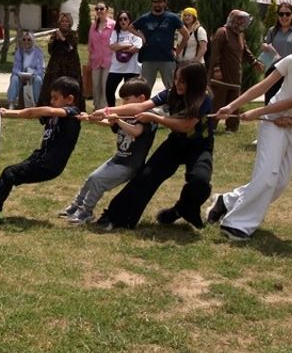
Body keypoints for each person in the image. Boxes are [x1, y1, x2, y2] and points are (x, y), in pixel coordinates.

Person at [206, 25, 292, 241]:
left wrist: (268, 113)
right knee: (267, 177)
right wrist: (232, 106)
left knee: (279, 183)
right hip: (272, 121)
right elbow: (263, 87)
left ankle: (226, 201)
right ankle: (236, 225)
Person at [91, 61, 212, 231]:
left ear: (195, 83)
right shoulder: (171, 93)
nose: (177, 84)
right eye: (176, 79)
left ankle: (183, 209)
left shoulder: (204, 98)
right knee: (147, 177)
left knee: (200, 182)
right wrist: (108, 111)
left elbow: (186, 126)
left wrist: (155, 118)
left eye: (183, 81)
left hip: (200, 147)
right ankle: (116, 217)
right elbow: (140, 106)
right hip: (176, 144)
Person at [0, 76, 83, 225]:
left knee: (9, 173)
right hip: (40, 158)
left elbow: (39, 112)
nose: (52, 102)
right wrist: (6, 112)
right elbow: (39, 115)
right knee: (10, 174)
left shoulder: (73, 113)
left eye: (55, 98)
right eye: (51, 98)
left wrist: (15, 112)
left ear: (69, 99)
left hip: (49, 165)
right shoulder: (54, 115)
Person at [59, 78, 156, 225]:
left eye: (127, 99)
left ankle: (86, 212)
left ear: (141, 99)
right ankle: (75, 206)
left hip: (130, 164)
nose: (123, 104)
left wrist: (118, 120)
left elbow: (136, 131)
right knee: (91, 178)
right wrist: (90, 119)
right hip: (118, 159)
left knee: (98, 181)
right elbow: (110, 122)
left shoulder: (147, 116)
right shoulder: (126, 114)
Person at [207, 10, 261, 133]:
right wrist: (216, 69)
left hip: (235, 75)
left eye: (244, 20)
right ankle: (212, 126)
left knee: (234, 103)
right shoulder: (222, 32)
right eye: (239, 19)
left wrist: (254, 62)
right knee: (217, 102)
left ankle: (231, 127)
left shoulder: (240, 35)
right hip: (220, 77)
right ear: (232, 19)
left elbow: (245, 51)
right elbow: (215, 53)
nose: (242, 23)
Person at [134, 0, 187, 91]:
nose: (157, 4)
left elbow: (186, 35)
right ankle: (146, 107)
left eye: (160, 2)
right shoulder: (145, 18)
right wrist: (141, 36)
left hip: (167, 58)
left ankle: (172, 106)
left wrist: (178, 51)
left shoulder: (172, 18)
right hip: (148, 58)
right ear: (152, 3)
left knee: (172, 87)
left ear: (165, 3)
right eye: (155, 1)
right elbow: (131, 27)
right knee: (145, 88)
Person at [260, 2, 292, 97]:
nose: (284, 17)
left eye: (287, 14)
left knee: (287, 103)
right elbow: (266, 47)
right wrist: (264, 46)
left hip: (290, 72)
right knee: (270, 102)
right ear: (277, 16)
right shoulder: (272, 31)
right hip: (273, 72)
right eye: (281, 14)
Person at [39, 12, 81, 108]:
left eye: (66, 21)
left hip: (70, 67)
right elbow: (50, 50)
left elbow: (70, 48)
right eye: (62, 21)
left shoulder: (73, 34)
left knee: (69, 87)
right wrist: (56, 40)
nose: (64, 23)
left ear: (70, 23)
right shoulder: (55, 34)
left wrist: (62, 38)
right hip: (56, 66)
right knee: (54, 86)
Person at [106, 12, 143, 106]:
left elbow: (135, 49)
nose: (123, 21)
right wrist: (128, 44)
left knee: (131, 93)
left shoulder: (136, 32)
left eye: (125, 19)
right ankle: (111, 110)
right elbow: (112, 46)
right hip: (116, 68)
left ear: (130, 20)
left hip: (132, 68)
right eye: (120, 19)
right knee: (109, 90)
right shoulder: (115, 32)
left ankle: (129, 112)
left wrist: (120, 47)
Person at [87, 2, 116, 109]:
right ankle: (97, 106)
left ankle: (104, 108)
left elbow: (115, 41)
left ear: (107, 10)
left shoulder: (113, 24)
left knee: (105, 85)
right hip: (96, 60)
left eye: (101, 9)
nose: (99, 11)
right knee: (96, 85)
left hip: (109, 60)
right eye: (97, 9)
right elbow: (90, 45)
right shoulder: (93, 26)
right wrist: (89, 60)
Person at [7, 31, 45, 110]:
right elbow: (15, 67)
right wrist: (19, 73)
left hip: (34, 74)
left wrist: (32, 74)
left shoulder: (38, 52)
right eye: (24, 40)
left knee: (38, 80)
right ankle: (11, 103)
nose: (26, 42)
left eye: (29, 40)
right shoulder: (19, 52)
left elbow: (40, 69)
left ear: (33, 40)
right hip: (21, 75)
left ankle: (36, 104)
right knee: (14, 79)